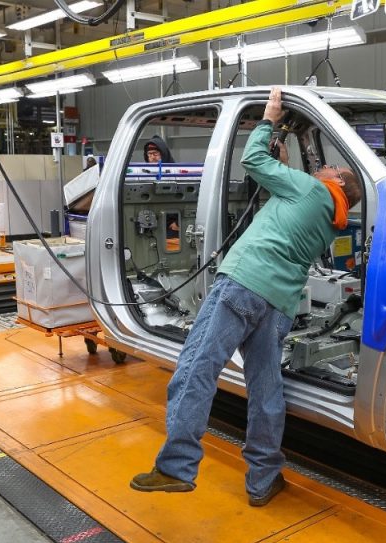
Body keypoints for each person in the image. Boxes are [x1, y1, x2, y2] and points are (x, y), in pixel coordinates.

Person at [130, 87, 362, 507]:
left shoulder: (310, 191)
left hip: (242, 286)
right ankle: (264, 478)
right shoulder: (331, 216)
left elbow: (251, 161)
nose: (322, 166)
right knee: (266, 389)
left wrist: (269, 118)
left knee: (196, 368)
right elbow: (284, 201)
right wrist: (284, 168)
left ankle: (175, 468)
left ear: (338, 182)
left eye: (328, 166)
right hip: (278, 304)